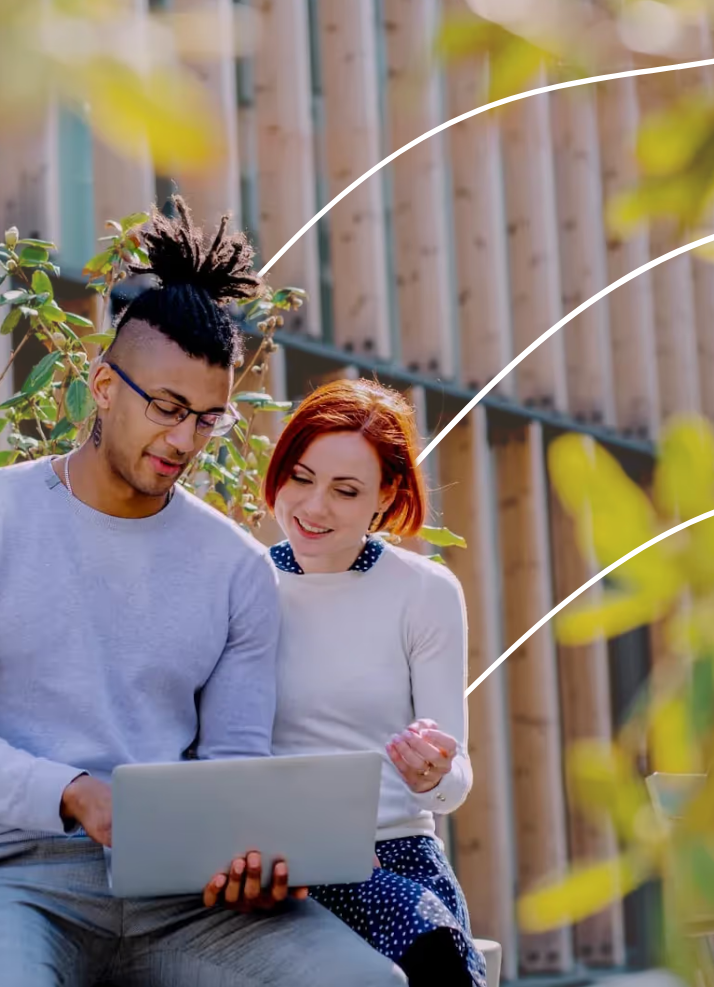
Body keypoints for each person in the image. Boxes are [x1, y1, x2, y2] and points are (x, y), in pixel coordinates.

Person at [0, 198, 404, 986]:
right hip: (16, 881)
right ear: (103, 385)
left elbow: (234, 770)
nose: (183, 440)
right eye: (166, 408)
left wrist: (250, 860)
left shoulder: (236, 570)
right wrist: (75, 794)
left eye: (207, 420)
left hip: (187, 896)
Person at [262, 379, 487, 987]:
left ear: (386, 495)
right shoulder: (242, 585)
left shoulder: (424, 591)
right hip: (280, 865)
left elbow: (454, 784)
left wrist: (434, 774)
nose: (314, 508)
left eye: (346, 491)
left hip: (395, 856)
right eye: (301, 478)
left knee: (431, 942)